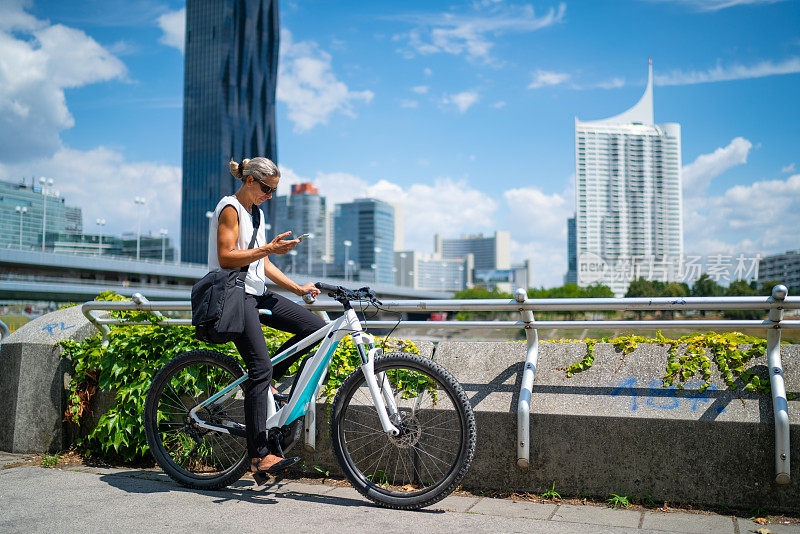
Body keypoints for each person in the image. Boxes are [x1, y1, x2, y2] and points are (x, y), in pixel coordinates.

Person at [207, 157, 326, 478]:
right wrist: (269, 250)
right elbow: (226, 256)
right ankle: (259, 456)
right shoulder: (230, 208)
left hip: (256, 291)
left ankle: (270, 379)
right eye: (266, 189)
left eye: (273, 191)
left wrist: (298, 288)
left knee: (315, 328)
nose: (269, 196)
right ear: (249, 180)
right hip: (234, 294)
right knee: (258, 370)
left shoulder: (254, 213)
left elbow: (263, 265)